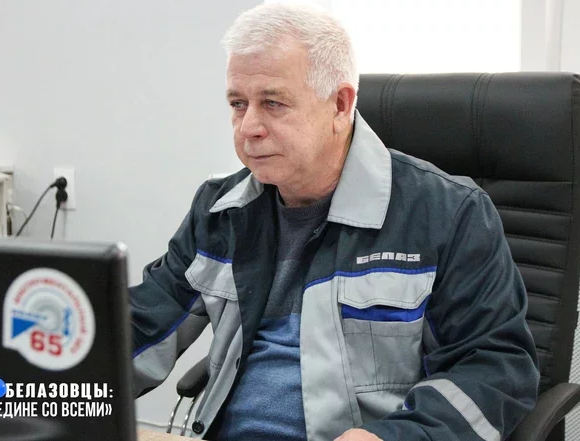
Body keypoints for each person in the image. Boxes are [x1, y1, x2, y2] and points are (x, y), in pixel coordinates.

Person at [129, 3, 539, 441]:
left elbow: (495, 368)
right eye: (238, 103)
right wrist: (73, 386)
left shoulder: (448, 214)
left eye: (272, 103)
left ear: (340, 105)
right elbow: (141, 326)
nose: (248, 127)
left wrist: (393, 437)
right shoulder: (220, 211)